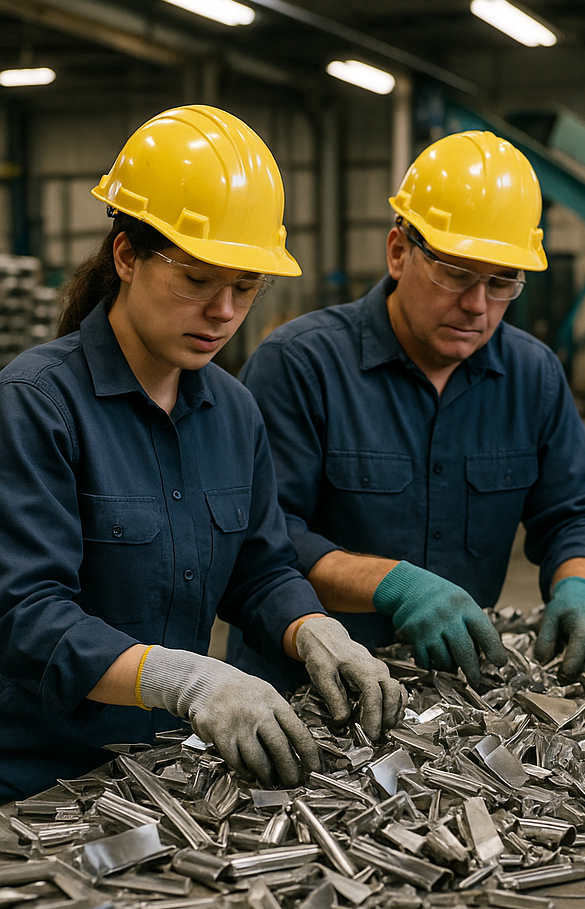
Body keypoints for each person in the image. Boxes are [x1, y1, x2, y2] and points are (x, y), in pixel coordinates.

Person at [0, 105, 404, 802]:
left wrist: (312, 628)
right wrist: (187, 678)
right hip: (39, 784)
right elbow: (26, 614)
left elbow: (257, 569)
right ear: (126, 255)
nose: (223, 311)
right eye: (197, 279)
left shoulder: (232, 409)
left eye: (245, 287)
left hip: (167, 778)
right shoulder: (36, 402)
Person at [228, 129, 585, 690]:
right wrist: (393, 584)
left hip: (454, 699)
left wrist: (579, 584)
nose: (477, 305)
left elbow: (575, 514)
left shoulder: (533, 375)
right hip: (305, 691)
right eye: (456, 274)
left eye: (502, 282)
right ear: (397, 252)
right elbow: (263, 538)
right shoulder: (299, 365)